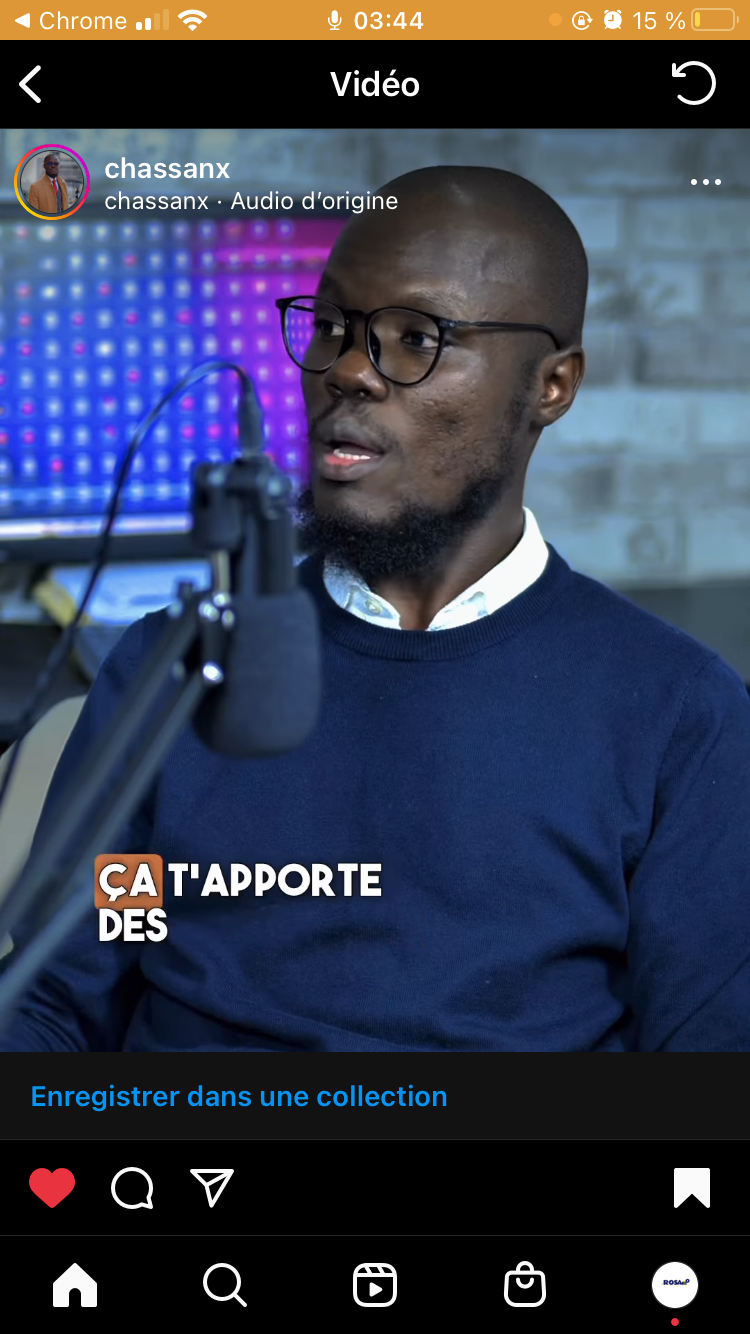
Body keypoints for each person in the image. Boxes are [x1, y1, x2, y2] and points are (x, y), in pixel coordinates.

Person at [2, 165, 749, 1052]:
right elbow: (63, 1003)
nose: (350, 371)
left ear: (551, 386)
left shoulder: (678, 715)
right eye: (332, 328)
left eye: (417, 338)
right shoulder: (173, 668)